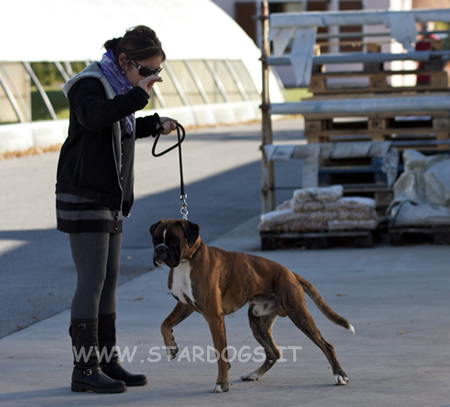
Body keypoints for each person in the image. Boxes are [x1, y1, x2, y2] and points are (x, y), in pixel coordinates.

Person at [55, 25, 177, 394]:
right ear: (124, 61)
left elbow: (115, 127)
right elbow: (94, 117)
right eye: (146, 71)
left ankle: (106, 361)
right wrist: (138, 98)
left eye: (157, 72)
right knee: (91, 284)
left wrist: (153, 124)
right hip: (85, 196)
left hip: (110, 199)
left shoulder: (119, 87)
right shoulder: (89, 83)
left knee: (108, 283)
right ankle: (85, 369)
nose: (151, 79)